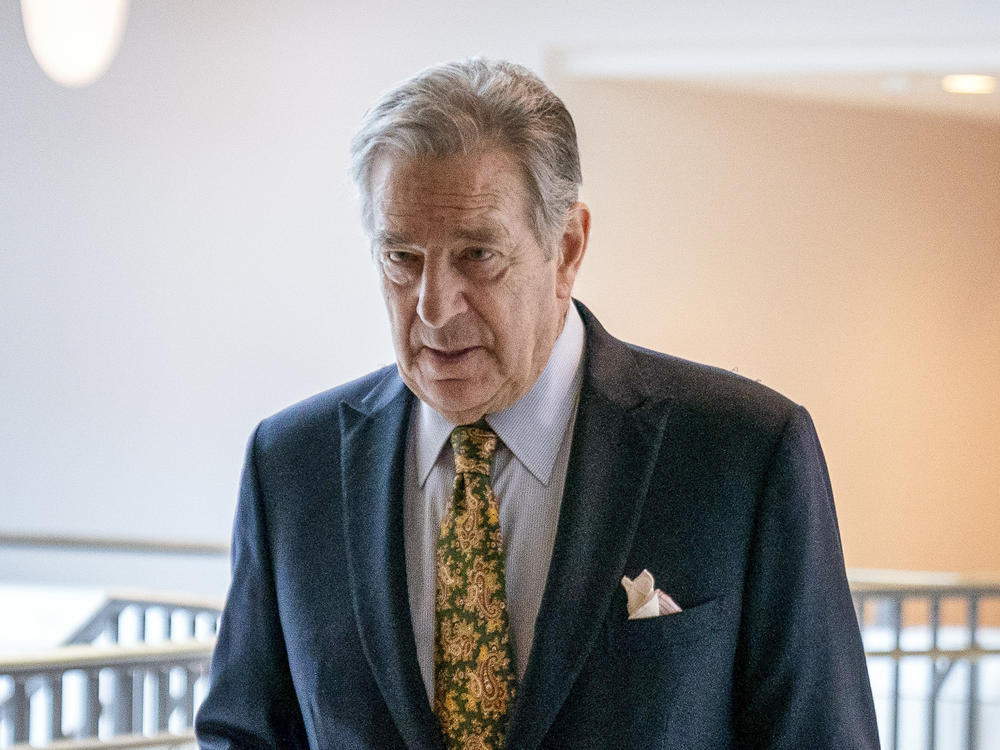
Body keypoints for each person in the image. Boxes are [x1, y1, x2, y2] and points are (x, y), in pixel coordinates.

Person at [195, 58, 880, 749]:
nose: (433, 308)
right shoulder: (291, 464)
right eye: (401, 257)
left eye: (477, 254)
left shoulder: (741, 454)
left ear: (568, 247)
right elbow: (245, 733)